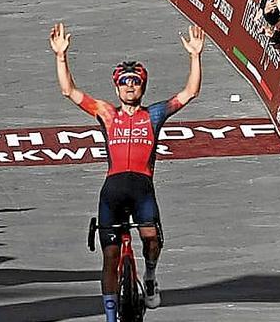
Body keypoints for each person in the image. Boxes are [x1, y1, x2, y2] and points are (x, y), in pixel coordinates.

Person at [48, 22, 204, 320]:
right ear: (116, 87)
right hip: (113, 191)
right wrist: (61, 56)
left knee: (152, 240)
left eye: (135, 82)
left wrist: (195, 56)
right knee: (110, 258)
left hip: (143, 189)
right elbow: (69, 90)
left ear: (143, 86)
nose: (129, 86)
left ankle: (150, 275)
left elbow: (190, 93)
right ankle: (109, 317)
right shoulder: (107, 113)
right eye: (124, 82)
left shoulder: (154, 114)